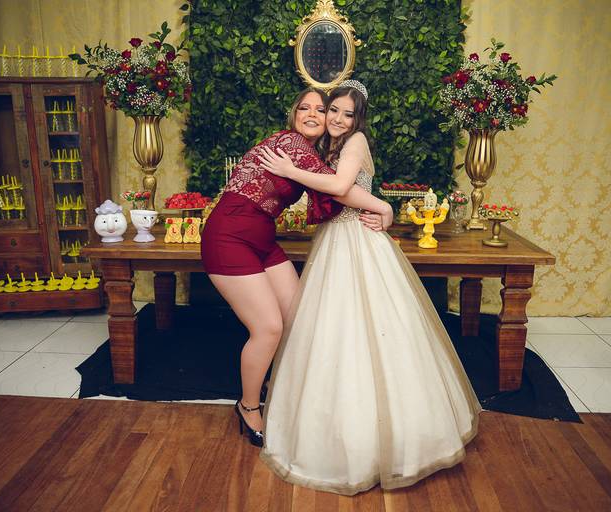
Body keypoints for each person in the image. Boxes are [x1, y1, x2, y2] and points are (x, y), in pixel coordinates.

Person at [257, 81, 481, 495]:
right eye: (334, 111)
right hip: (334, 238)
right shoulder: (328, 145)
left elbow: (341, 187)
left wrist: (290, 171)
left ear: (358, 119)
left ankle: (392, 443)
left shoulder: (355, 141)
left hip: (357, 240)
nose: (339, 120)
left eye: (348, 114)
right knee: (332, 331)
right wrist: (382, 206)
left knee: (373, 330)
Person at [201, 87, 393, 448]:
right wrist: (383, 206)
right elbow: (339, 189)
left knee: (298, 317)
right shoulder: (290, 143)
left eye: (321, 109)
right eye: (305, 108)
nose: (313, 114)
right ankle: (248, 406)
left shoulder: (313, 152)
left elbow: (332, 184)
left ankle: (277, 386)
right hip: (229, 237)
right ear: (294, 114)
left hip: (262, 240)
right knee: (269, 327)